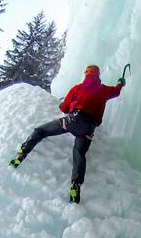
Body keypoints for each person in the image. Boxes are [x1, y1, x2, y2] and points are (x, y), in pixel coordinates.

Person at [10, 65, 126, 203]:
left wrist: (64, 104)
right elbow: (116, 91)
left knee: (40, 131)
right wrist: (120, 83)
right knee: (79, 154)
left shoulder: (78, 88)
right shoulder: (104, 90)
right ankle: (75, 185)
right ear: (98, 75)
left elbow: (64, 108)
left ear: (86, 74)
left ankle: (21, 155)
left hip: (74, 121)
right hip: (89, 129)